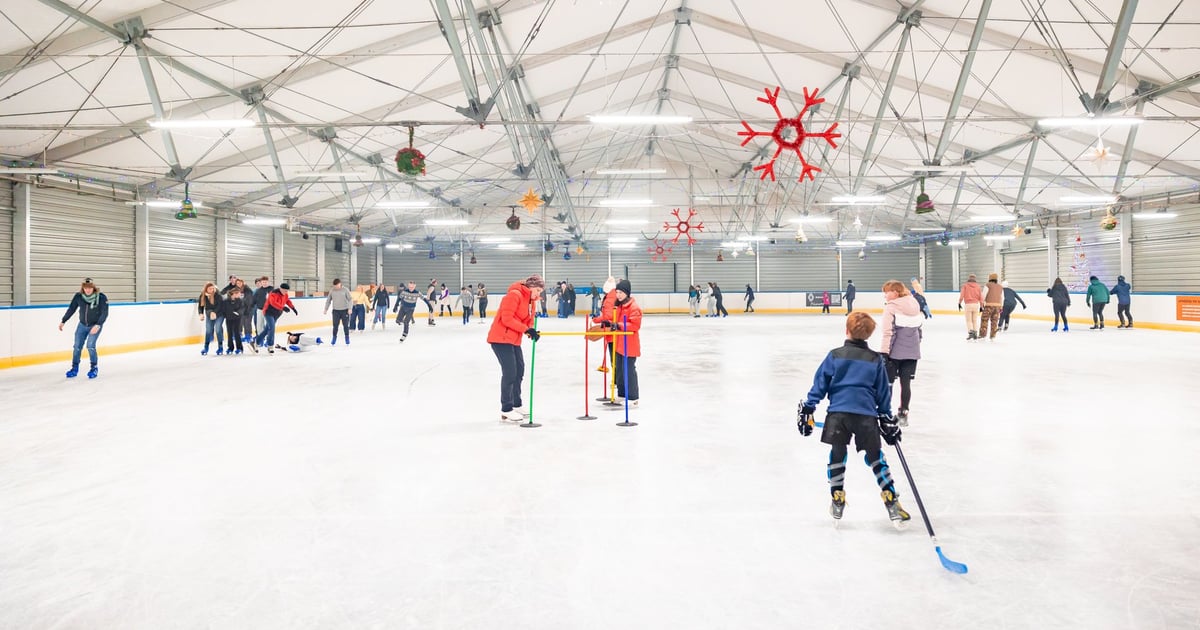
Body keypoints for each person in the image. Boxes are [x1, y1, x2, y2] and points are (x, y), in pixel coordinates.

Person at [797, 311, 909, 526]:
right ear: (868, 335)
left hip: (838, 415)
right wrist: (886, 416)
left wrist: (809, 407)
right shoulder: (875, 359)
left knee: (837, 454)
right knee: (876, 457)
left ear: (846, 330)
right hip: (866, 416)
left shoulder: (835, 355)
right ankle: (890, 498)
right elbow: (882, 391)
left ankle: (837, 496)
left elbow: (820, 384)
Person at [487, 274, 545, 423]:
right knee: (510, 372)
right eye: (538, 290)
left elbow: (529, 320)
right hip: (500, 339)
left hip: (513, 339)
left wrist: (531, 330)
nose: (539, 294)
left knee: (519, 370)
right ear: (531, 287)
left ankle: (516, 404)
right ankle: (506, 409)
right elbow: (507, 319)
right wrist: (526, 329)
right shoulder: (515, 295)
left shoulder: (531, 301)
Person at [879, 281, 923, 428]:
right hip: (912, 352)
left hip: (894, 353)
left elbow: (888, 332)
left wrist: (884, 352)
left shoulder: (891, 308)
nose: (885, 295)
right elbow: (919, 330)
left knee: (888, 383)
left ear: (896, 292)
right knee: (906, 384)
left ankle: (885, 413)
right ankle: (903, 414)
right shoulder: (915, 303)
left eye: (887, 292)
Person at [594, 279, 643, 407]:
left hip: (630, 344)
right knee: (620, 370)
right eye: (617, 292)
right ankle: (622, 394)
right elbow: (614, 320)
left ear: (627, 293)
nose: (619, 295)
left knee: (629, 370)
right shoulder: (619, 306)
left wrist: (618, 325)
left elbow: (634, 325)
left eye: (621, 292)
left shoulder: (634, 307)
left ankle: (633, 397)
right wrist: (608, 323)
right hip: (620, 343)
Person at [58, 278, 108, 379]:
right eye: (85, 287)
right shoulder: (78, 297)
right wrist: (63, 320)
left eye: (90, 287)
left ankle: (94, 368)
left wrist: (98, 325)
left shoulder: (101, 297)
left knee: (90, 346)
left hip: (95, 325)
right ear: (83, 288)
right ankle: (74, 368)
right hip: (82, 325)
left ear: (93, 287)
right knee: (77, 347)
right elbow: (71, 309)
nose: (88, 290)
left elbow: (104, 313)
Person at [256, 282, 298, 354]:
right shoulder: (273, 293)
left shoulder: (285, 294)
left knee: (267, 329)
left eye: (287, 291)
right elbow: (273, 303)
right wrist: (283, 307)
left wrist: (293, 308)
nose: (286, 292)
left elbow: (288, 301)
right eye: (285, 290)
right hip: (268, 312)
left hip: (277, 314)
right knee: (272, 328)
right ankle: (270, 346)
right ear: (281, 289)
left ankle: (256, 342)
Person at [197, 281, 224, 356]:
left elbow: (220, 306)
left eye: (213, 288)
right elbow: (200, 306)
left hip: (219, 314)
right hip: (209, 314)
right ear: (206, 289)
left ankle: (220, 347)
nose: (212, 290)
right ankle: (206, 347)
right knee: (208, 330)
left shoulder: (217, 295)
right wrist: (201, 314)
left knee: (218, 329)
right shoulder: (203, 296)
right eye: (210, 289)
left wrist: (214, 312)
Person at [219, 286, 247, 355]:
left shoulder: (240, 301)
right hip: (229, 319)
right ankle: (230, 347)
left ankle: (239, 348)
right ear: (234, 293)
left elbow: (242, 308)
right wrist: (226, 315)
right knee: (230, 333)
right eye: (238, 293)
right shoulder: (225, 301)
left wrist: (238, 313)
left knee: (237, 333)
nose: (240, 295)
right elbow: (223, 310)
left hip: (237, 319)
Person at [324, 279, 353, 345]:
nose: (335, 287)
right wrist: (326, 309)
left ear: (340, 284)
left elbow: (350, 299)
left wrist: (350, 308)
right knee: (335, 326)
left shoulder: (345, 290)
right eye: (334, 286)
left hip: (345, 310)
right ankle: (334, 338)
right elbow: (328, 300)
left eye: (336, 286)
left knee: (345, 325)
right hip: (335, 311)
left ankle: (347, 337)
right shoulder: (332, 290)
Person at [958, 273, 983, 341]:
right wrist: (981, 306)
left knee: (969, 320)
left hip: (968, 305)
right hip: (976, 305)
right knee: (974, 320)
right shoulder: (978, 286)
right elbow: (981, 297)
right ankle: (975, 333)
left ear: (969, 278)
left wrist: (959, 303)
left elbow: (962, 295)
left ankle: (971, 333)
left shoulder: (965, 286)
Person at [980, 273, 1004, 341]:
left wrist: (982, 304)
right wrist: (1001, 306)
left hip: (988, 306)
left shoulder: (988, 285)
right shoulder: (1000, 287)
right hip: (997, 306)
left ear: (989, 278)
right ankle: (993, 336)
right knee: (994, 321)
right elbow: (1002, 297)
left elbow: (983, 295)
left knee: (984, 320)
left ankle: (982, 335)